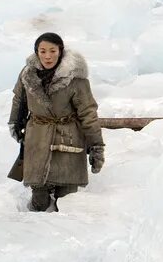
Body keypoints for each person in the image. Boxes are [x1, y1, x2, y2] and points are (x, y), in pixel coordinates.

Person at [8, 32, 105, 211]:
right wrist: (15, 123)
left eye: (52, 50)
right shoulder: (27, 73)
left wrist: (96, 147)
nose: (47, 56)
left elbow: (88, 113)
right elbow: (18, 99)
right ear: (36, 52)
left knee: (68, 202)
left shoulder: (75, 78)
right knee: (39, 201)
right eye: (42, 51)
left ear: (60, 51)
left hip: (68, 138)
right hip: (38, 136)